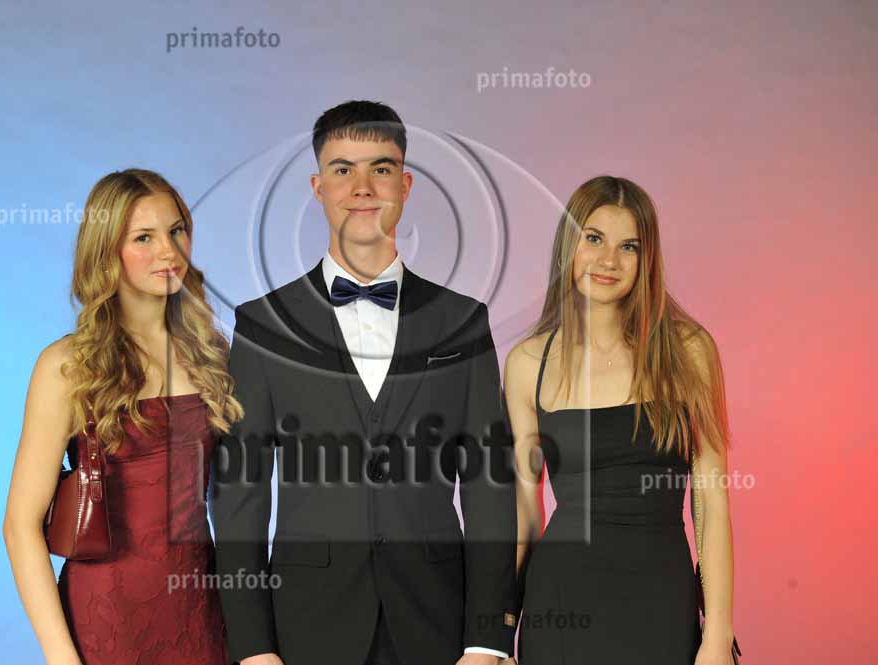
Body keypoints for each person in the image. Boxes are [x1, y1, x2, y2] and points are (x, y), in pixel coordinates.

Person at [213, 100, 518, 665]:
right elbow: (239, 497)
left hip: (438, 624)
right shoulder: (263, 325)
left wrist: (486, 639)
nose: (362, 187)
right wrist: (253, 647)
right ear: (318, 187)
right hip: (306, 627)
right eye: (342, 169)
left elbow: (489, 488)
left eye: (380, 168)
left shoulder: (463, 322)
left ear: (404, 185)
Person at [2, 168, 242, 665]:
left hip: (201, 610)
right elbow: (20, 525)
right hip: (107, 618)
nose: (168, 251)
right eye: (143, 238)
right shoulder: (67, 365)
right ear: (107, 249)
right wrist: (61, 657)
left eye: (177, 230)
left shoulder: (211, 354)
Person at [502, 176, 736, 664]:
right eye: (594, 239)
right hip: (559, 602)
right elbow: (525, 512)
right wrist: (498, 633)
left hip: (662, 600)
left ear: (647, 259)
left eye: (628, 246)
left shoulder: (689, 350)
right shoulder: (527, 362)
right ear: (568, 246)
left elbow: (711, 500)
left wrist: (717, 634)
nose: (609, 260)